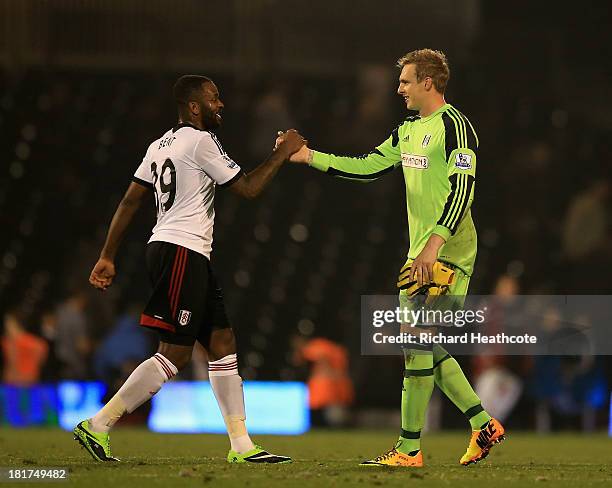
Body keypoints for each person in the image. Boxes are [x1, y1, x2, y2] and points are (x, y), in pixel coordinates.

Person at [286, 49, 505, 467]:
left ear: (428, 82)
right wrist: (310, 157)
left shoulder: (455, 126)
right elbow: (368, 166)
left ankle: (409, 448)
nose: (399, 88)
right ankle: (482, 424)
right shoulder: (407, 130)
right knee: (419, 345)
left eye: (405, 81)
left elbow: (464, 188)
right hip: (419, 255)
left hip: (448, 252)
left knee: (417, 348)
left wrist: (435, 243)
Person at [74, 75, 305, 463]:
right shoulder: (201, 141)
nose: (222, 104)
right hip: (182, 251)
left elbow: (131, 202)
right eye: (214, 98)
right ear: (194, 106)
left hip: (178, 249)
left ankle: (242, 445)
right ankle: (98, 424)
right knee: (175, 354)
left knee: (222, 341)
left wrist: (108, 254)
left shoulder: (159, 144)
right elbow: (247, 189)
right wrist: (283, 152)